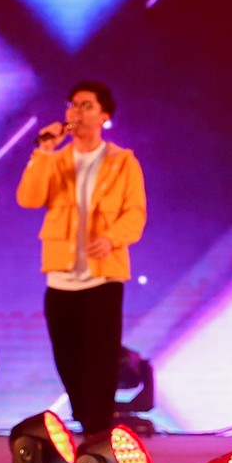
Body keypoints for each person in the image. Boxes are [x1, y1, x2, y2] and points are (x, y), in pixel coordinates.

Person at [16, 81, 146, 437]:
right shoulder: (55, 160)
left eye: (86, 105)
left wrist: (112, 238)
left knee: (101, 359)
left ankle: (98, 431)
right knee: (67, 357)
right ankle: (88, 421)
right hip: (61, 275)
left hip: (103, 277)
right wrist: (43, 151)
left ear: (104, 115)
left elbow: (135, 214)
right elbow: (28, 198)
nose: (76, 111)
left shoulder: (123, 162)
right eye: (72, 104)